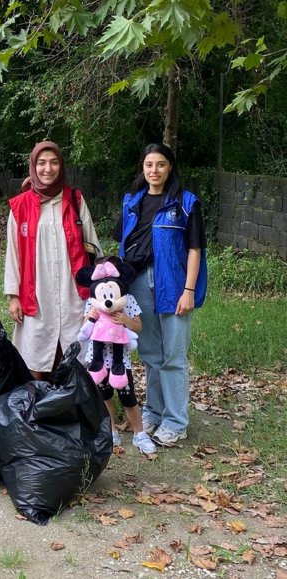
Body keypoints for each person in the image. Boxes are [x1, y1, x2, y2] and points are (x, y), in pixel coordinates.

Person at [115, 143, 207, 446]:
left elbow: (195, 249)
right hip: (139, 283)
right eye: (149, 165)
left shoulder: (186, 203)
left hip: (174, 284)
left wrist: (189, 290)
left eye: (161, 165)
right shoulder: (131, 202)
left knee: (174, 356)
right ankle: (154, 410)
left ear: (170, 167)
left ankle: (176, 421)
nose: (154, 170)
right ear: (143, 168)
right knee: (151, 353)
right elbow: (123, 245)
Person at [4, 140, 101, 380]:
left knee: (77, 353)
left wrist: (99, 288)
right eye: (42, 163)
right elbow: (13, 253)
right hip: (36, 290)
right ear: (33, 166)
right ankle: (37, 409)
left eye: (54, 162)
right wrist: (13, 296)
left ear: (61, 166)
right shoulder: (20, 206)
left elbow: (93, 247)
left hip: (73, 290)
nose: (48, 169)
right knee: (36, 355)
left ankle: (76, 409)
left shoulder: (75, 200)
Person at [81, 257, 157, 455]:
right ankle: (111, 430)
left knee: (128, 397)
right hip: (97, 360)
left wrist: (124, 320)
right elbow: (84, 328)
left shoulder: (127, 300)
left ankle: (139, 434)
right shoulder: (93, 300)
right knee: (104, 396)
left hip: (119, 360)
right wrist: (90, 318)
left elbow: (138, 326)